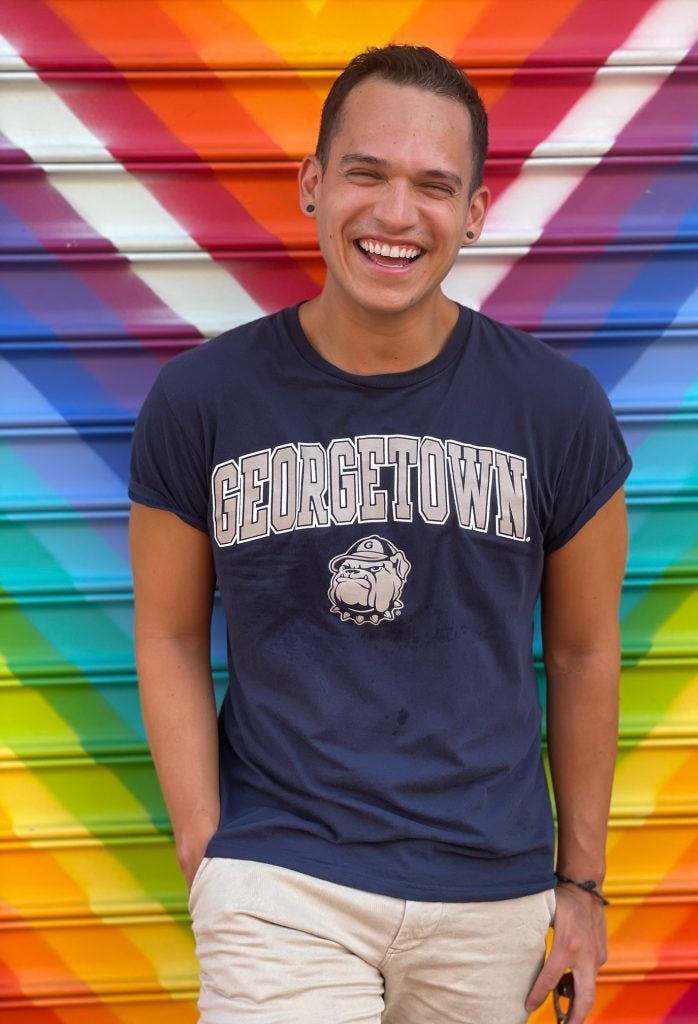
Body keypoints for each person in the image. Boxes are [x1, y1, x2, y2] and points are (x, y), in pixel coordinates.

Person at [129, 43, 630, 1024]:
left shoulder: (556, 411)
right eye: (367, 173)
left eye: (434, 186)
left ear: (476, 211)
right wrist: (207, 851)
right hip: (283, 877)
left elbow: (581, 651)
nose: (397, 214)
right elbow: (171, 631)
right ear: (314, 184)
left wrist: (583, 885)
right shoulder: (204, 399)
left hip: (488, 890)